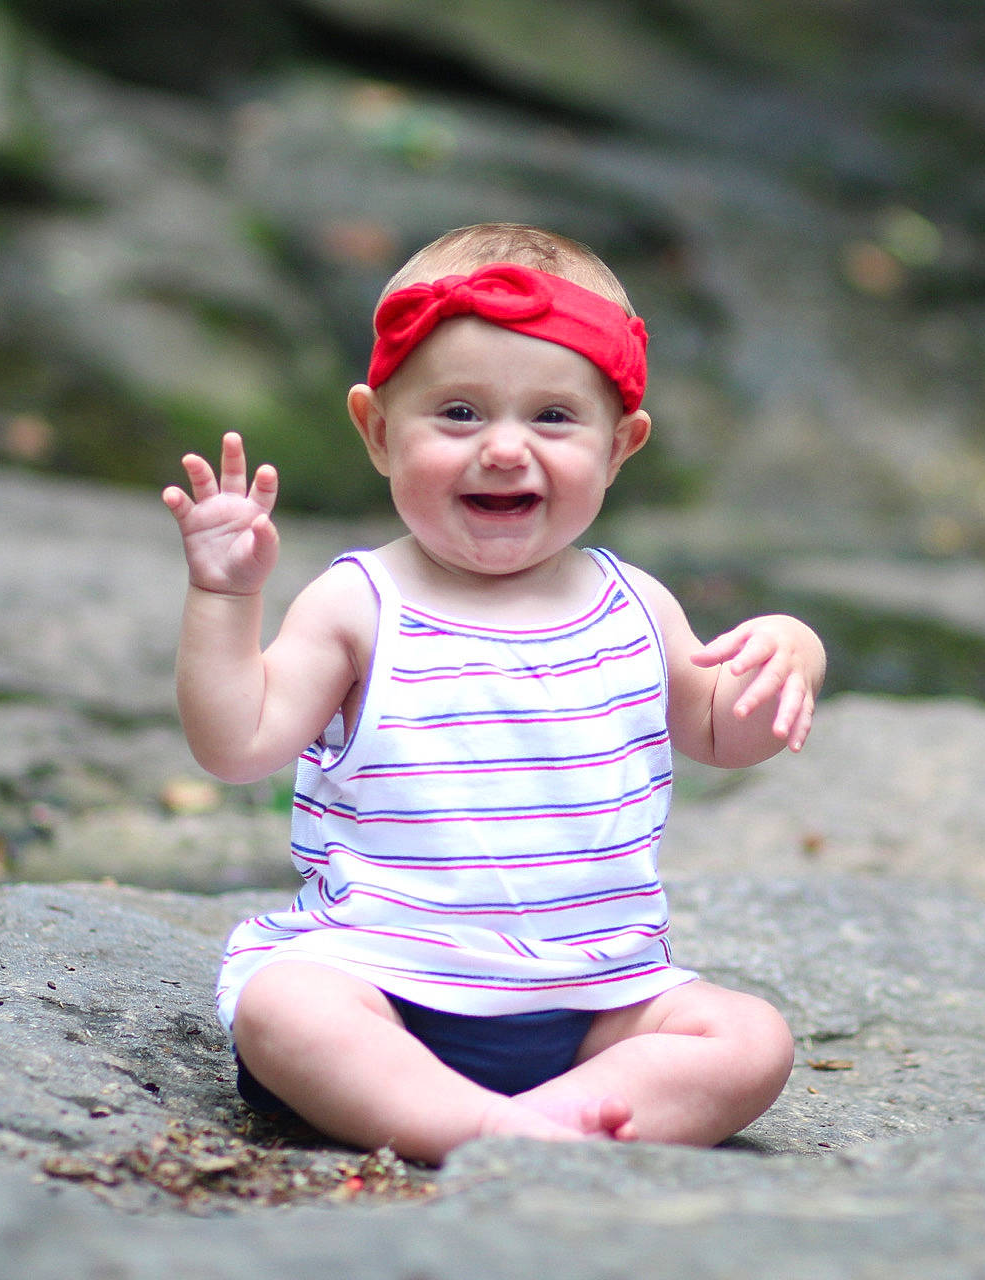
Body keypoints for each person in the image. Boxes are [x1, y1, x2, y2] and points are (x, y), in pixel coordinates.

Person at [162, 223, 826, 1165]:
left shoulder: (635, 605)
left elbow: (725, 730)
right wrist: (225, 598)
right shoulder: (362, 603)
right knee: (286, 1006)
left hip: (594, 1005)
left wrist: (792, 653)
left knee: (750, 1040)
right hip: (383, 986)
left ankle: (542, 1120)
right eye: (460, 414)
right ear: (379, 432)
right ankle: (495, 1128)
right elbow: (238, 744)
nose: (505, 450)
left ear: (621, 445)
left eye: (554, 418)